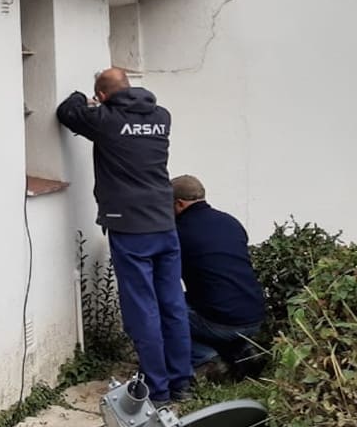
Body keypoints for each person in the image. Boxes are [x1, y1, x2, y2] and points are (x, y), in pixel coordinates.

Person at [57, 68, 192, 404]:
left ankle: (157, 389)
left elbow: (67, 111)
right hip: (164, 222)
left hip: (130, 227)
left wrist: (83, 99)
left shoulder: (105, 119)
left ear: (102, 96)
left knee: (142, 308)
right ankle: (181, 382)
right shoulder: (162, 116)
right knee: (173, 302)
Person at [172, 175, 266, 381]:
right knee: (213, 303)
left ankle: (207, 360)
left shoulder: (178, 233)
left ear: (178, 203)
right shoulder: (231, 222)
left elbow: (166, 281)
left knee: (160, 312)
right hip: (255, 316)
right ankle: (244, 351)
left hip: (221, 323)